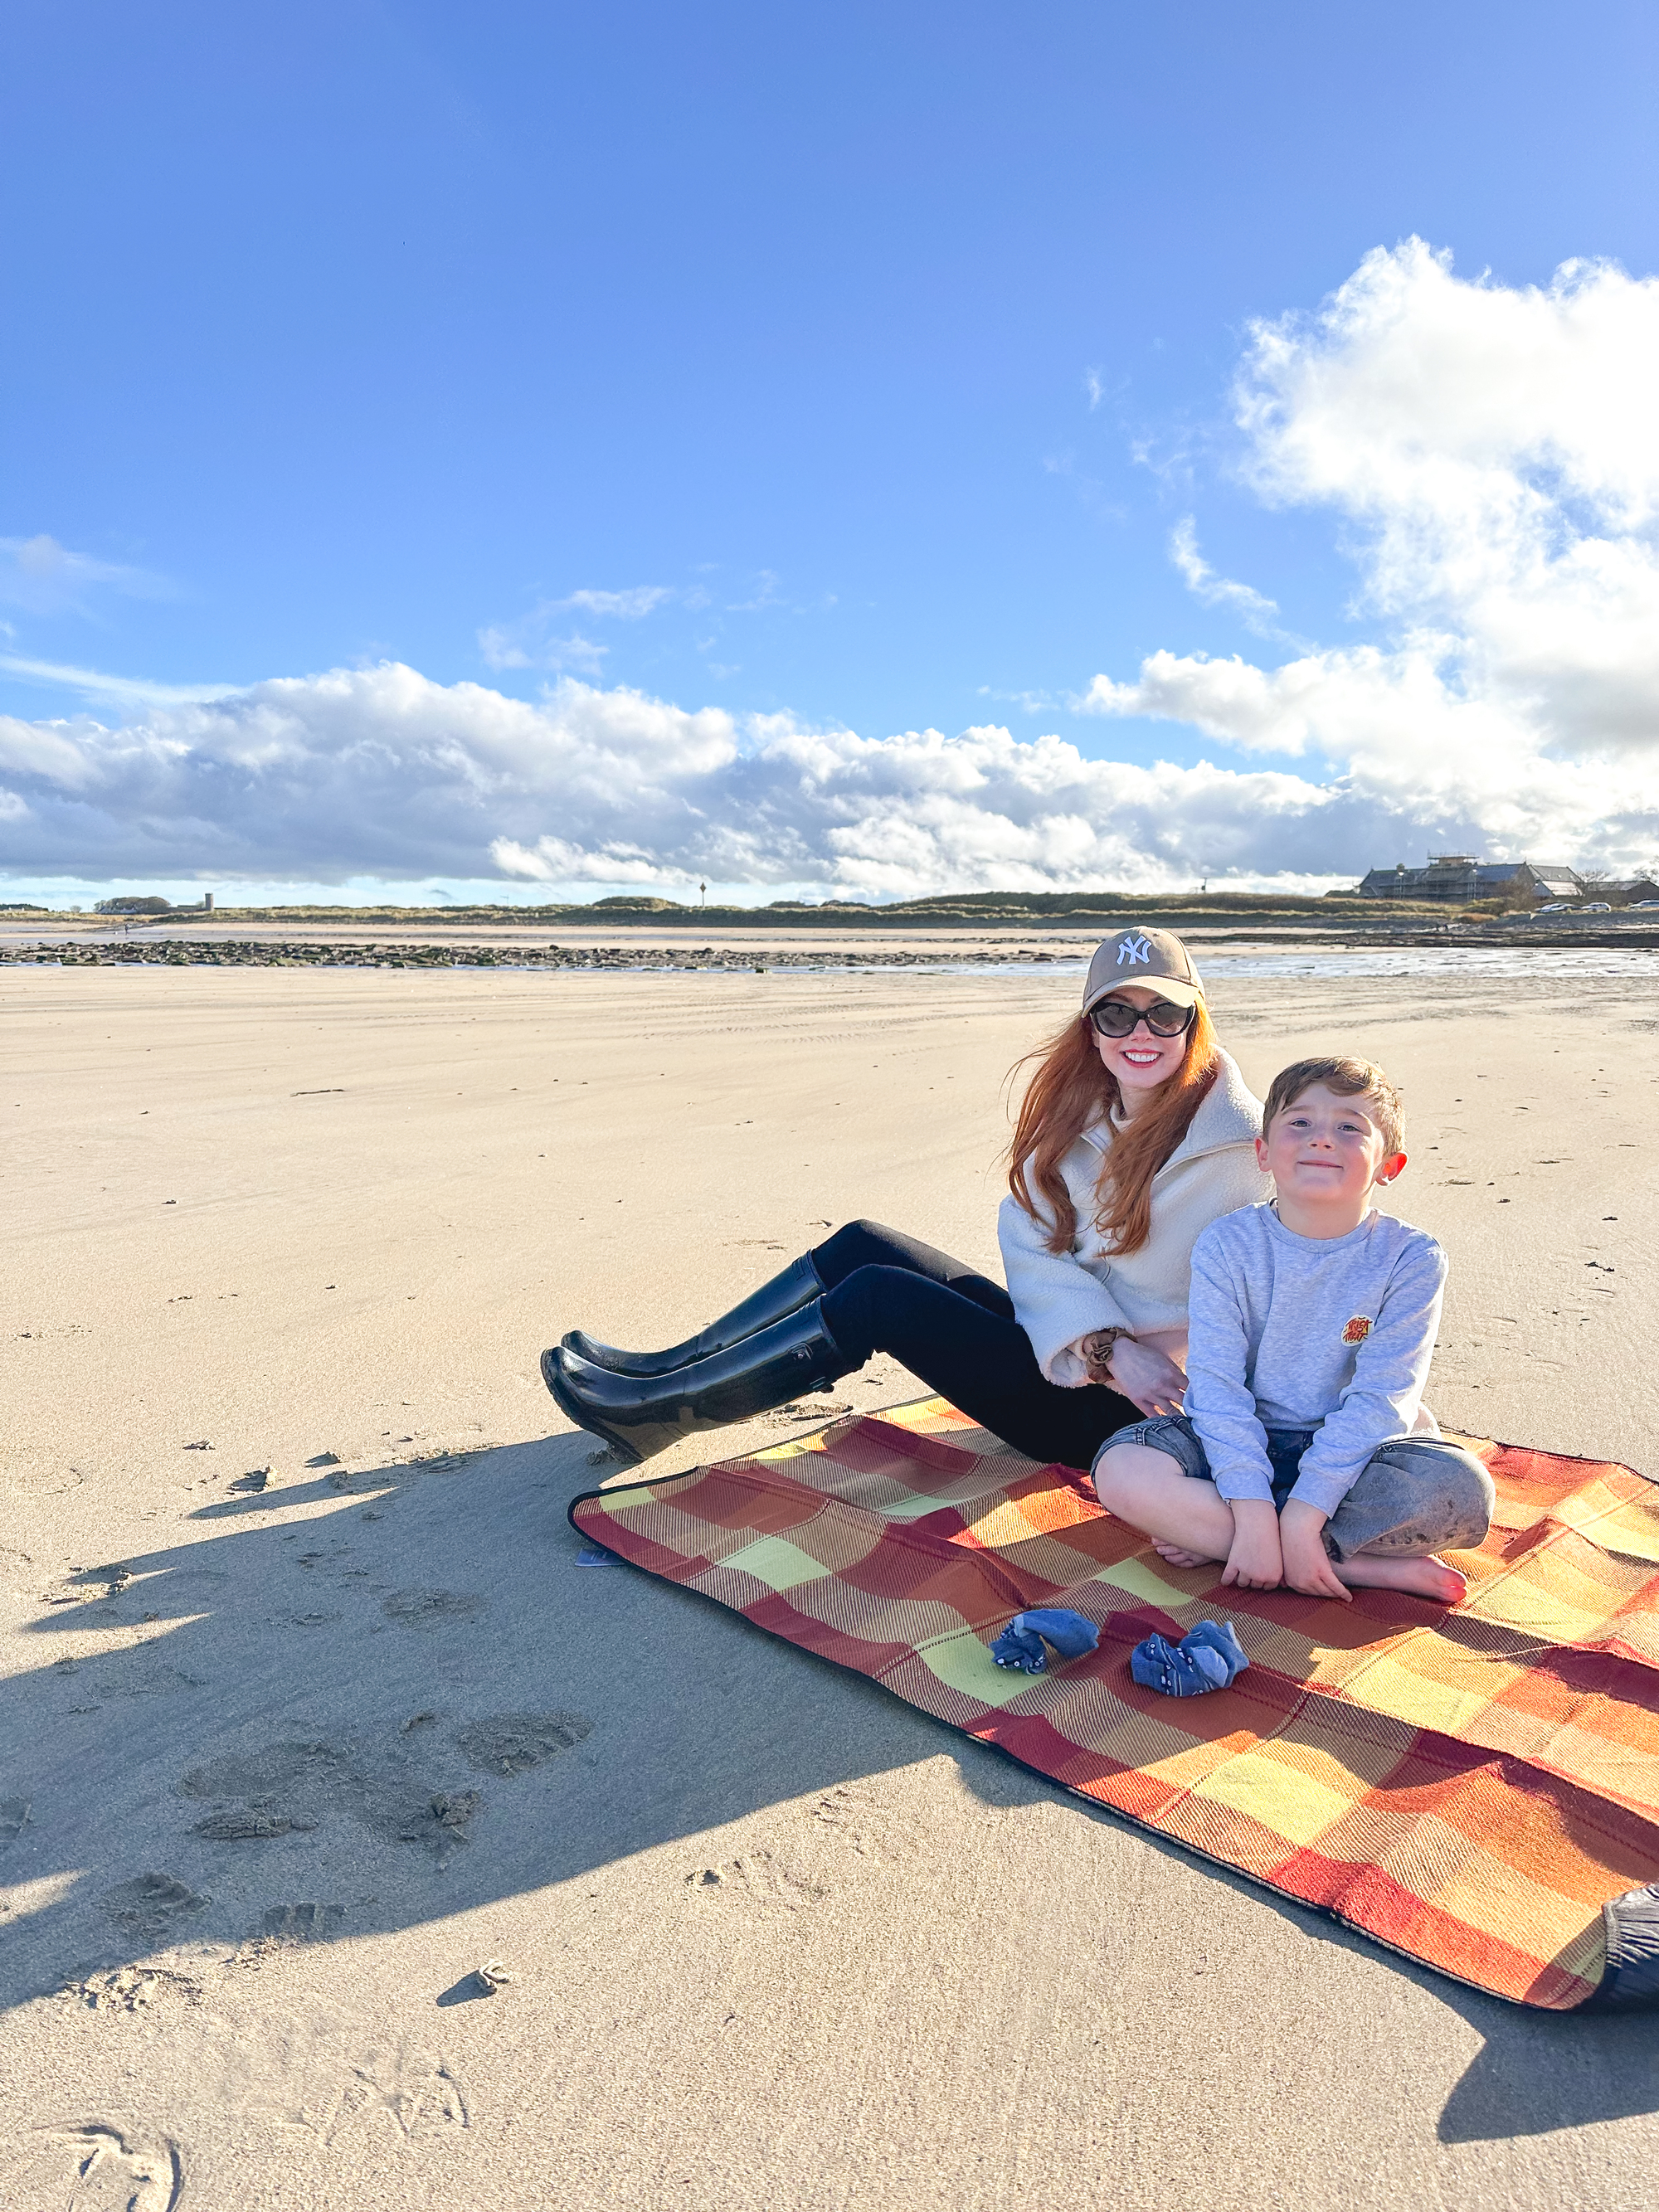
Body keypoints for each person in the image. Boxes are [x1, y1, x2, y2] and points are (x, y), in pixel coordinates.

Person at [542, 926, 1270, 1466]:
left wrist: (1144, 1376)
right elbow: (1028, 1232)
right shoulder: (1092, 1112)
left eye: (1163, 1014)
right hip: (1080, 1352)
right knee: (864, 1241)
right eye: (1117, 1014)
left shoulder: (1241, 1150)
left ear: (1193, 1022)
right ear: (1091, 1027)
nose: (1140, 1033)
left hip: (1129, 1419)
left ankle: (674, 1412)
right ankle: (671, 1370)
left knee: (879, 1297)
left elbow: (1269, 1299)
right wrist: (1105, 1345)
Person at [1092, 1054, 1495, 1605]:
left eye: (1350, 1126)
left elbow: (1383, 1398)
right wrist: (1254, 1508)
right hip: (1235, 1441)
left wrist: (1306, 1511)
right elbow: (1215, 1385)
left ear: (1390, 1164)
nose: (1322, 1139)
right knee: (1122, 1470)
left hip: (1354, 1454)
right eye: (1300, 1122)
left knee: (1463, 1491)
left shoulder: (1411, 1258)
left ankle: (1246, 1540)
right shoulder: (1227, 1244)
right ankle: (1349, 1562)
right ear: (1263, 1152)